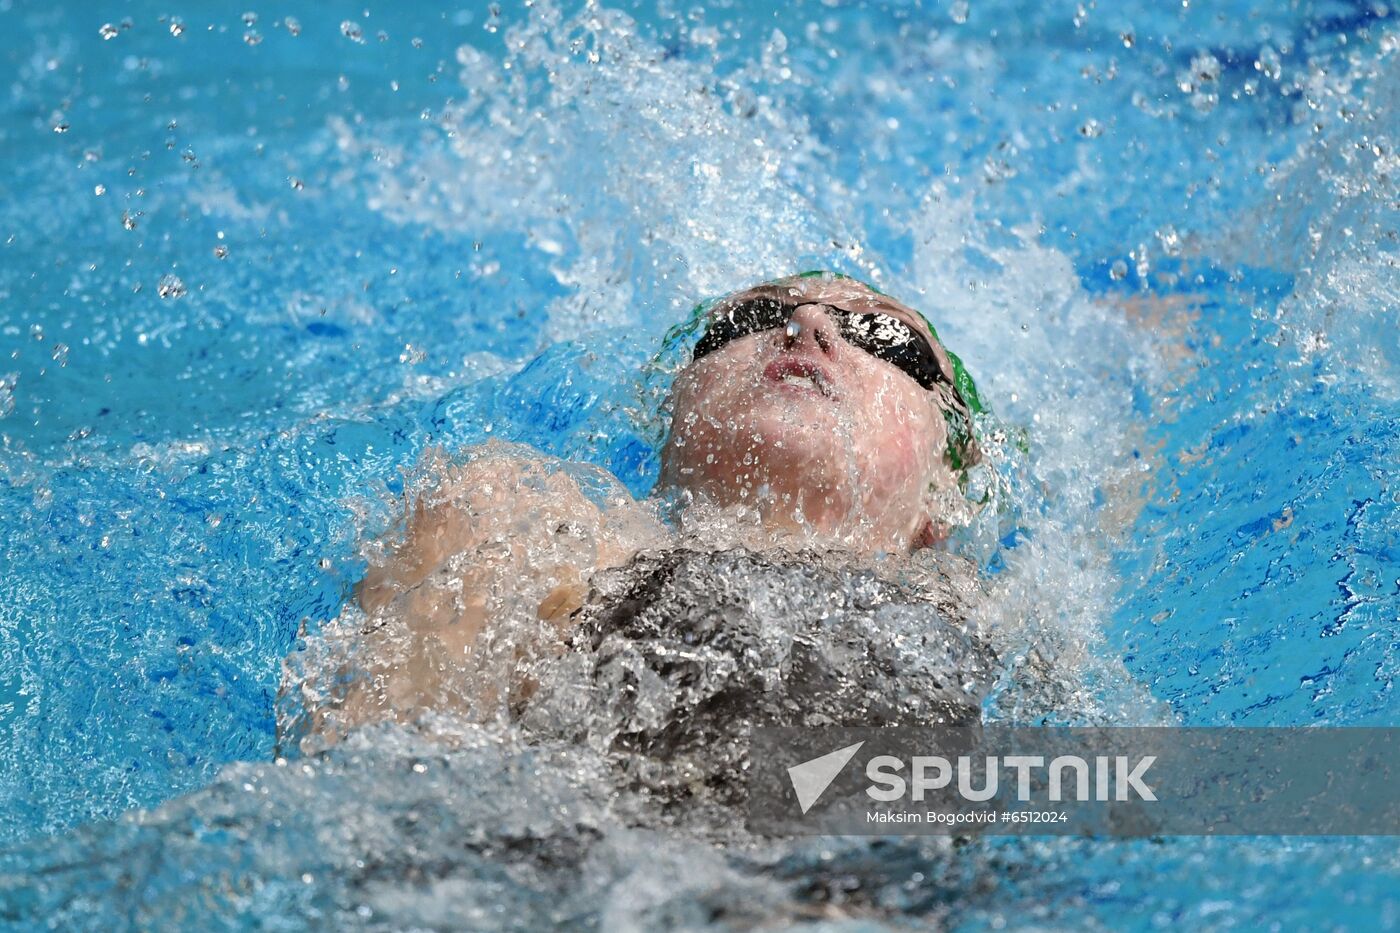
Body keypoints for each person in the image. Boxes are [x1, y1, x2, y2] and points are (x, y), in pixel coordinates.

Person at [278, 271, 990, 750]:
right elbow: (374, 772)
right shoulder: (527, 524)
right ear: (673, 416)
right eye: (751, 316)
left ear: (944, 488)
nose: (804, 321)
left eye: (884, 336)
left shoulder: (992, 614)